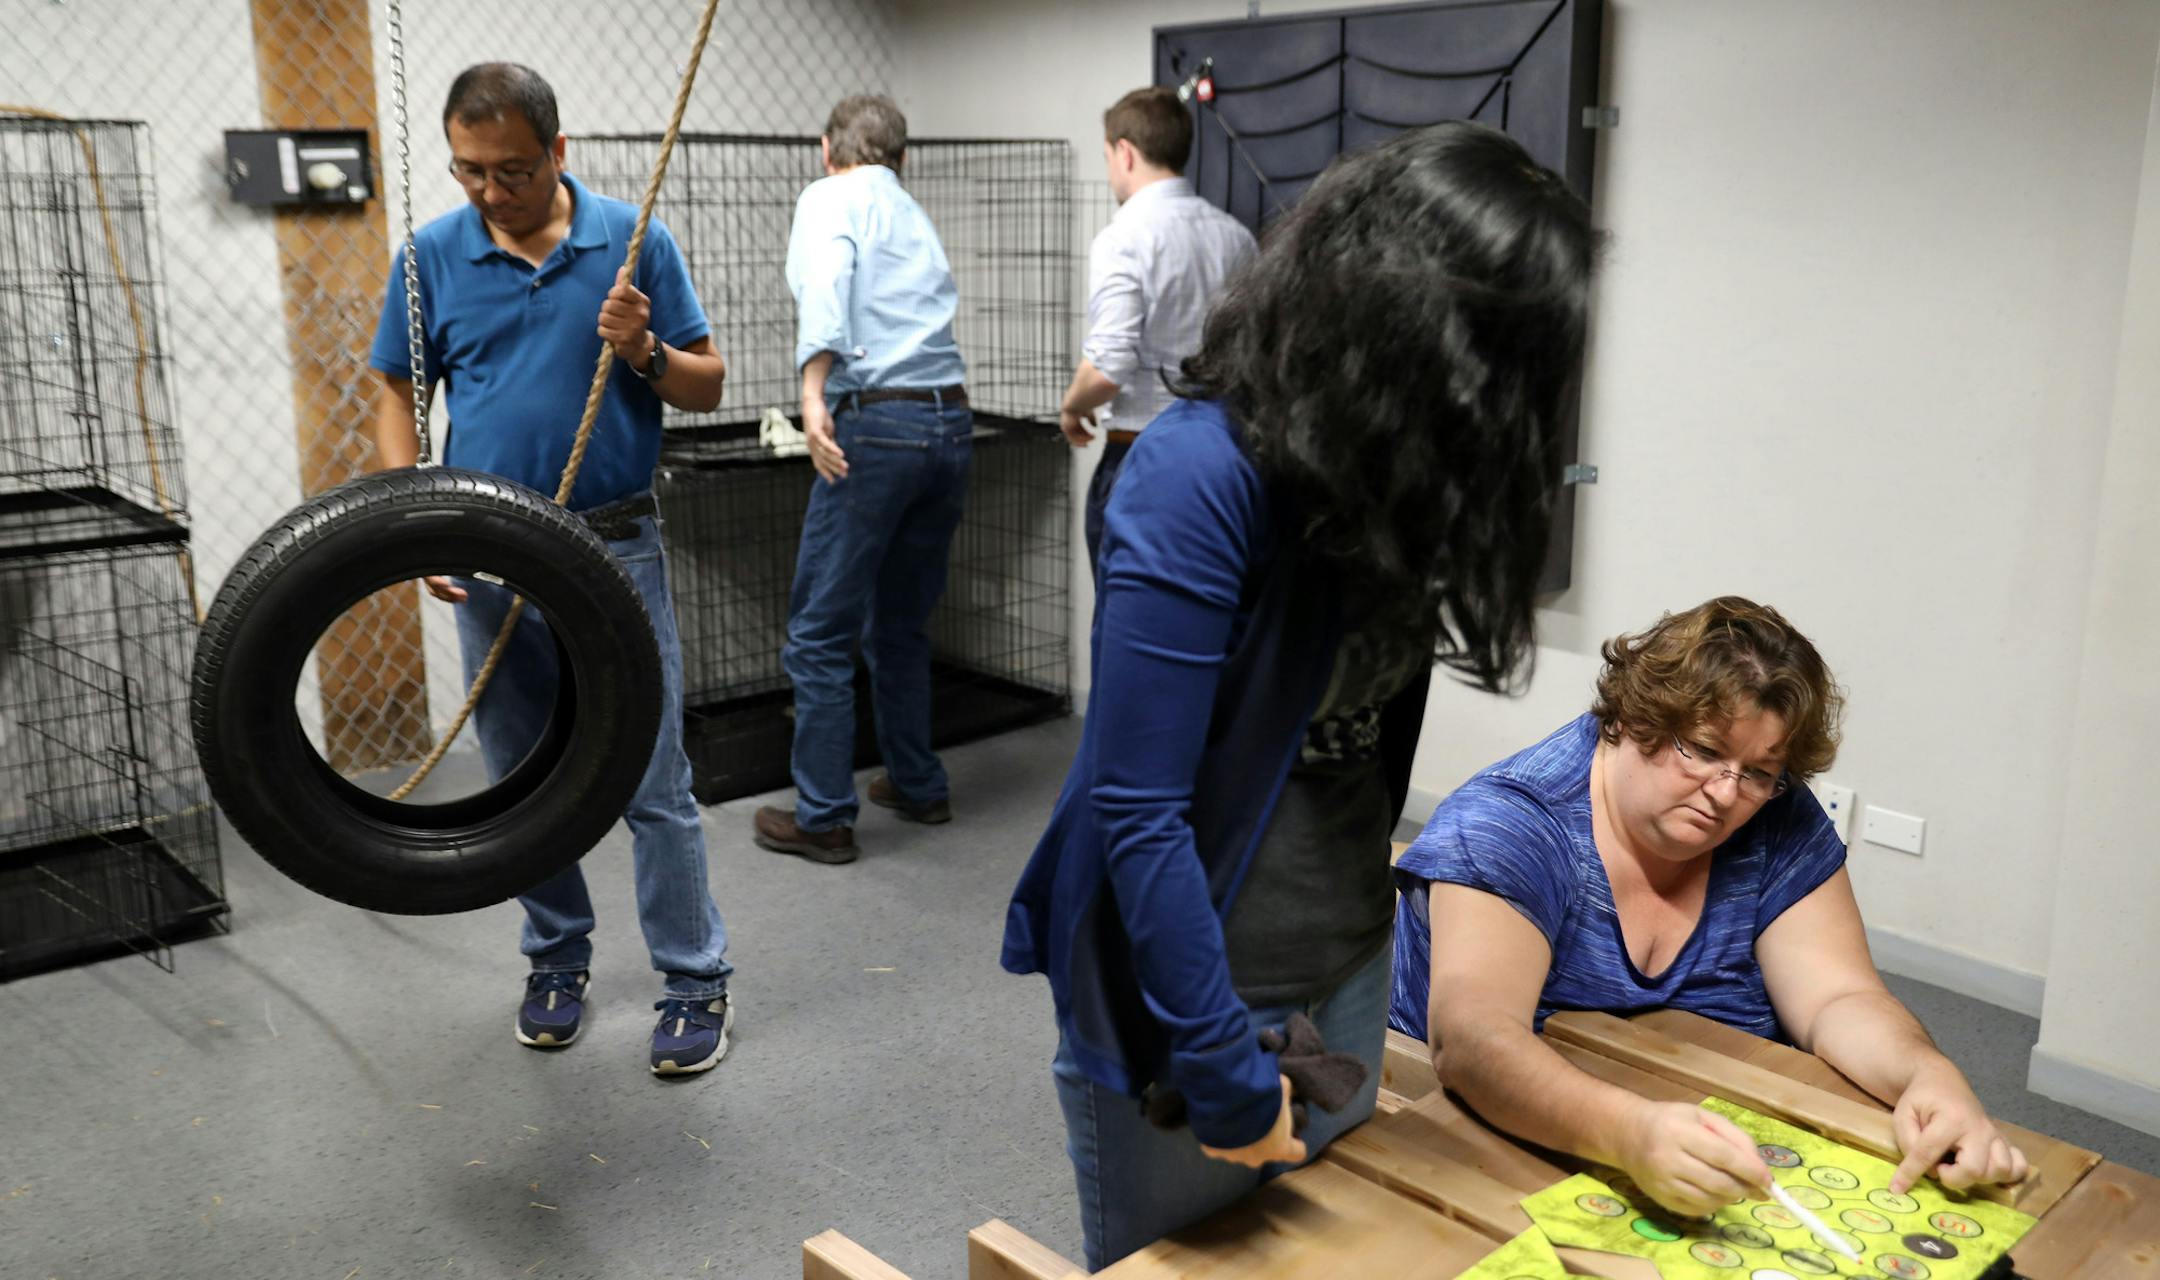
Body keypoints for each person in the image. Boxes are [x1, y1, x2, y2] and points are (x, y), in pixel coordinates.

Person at [1001, 121, 1599, 1270]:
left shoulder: (1390, 474)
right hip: (1199, 986)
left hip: (1346, 954)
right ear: (1401, 330)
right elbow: (1138, 811)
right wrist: (1219, 1065)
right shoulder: (1198, 473)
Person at [1391, 596, 2031, 1217]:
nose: (1726, 794)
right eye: (1702, 751)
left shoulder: (1775, 812)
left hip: (1710, 1133)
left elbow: (1839, 998)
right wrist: (1630, 1133)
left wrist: (1927, 1074)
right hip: (1496, 1140)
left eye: (1758, 772)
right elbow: (1473, 1037)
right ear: (1630, 719)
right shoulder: (1512, 824)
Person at [369, 62, 735, 1076]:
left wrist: (647, 350)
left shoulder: (631, 237)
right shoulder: (429, 257)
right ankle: (557, 962)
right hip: (492, 552)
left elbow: (706, 385)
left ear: (558, 151)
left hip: (615, 543)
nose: (491, 191)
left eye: (514, 171)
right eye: (471, 170)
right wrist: (414, 522)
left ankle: (695, 981)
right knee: (523, 780)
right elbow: (397, 391)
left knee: (652, 777)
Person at [751, 96, 972, 868]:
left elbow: (828, 283)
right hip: (949, 423)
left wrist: (812, 394)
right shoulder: (911, 212)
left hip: (875, 426)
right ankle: (918, 783)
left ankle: (823, 817)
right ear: (902, 158)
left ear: (826, 150)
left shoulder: (830, 197)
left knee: (819, 633)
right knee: (900, 624)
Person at [1062, 86, 1256, 572]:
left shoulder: (1122, 238)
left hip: (1140, 457)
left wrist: (1072, 405)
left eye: (1108, 157)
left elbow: (1108, 367)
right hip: (1224, 457)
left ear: (1125, 153)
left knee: (1126, 609)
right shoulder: (1235, 238)